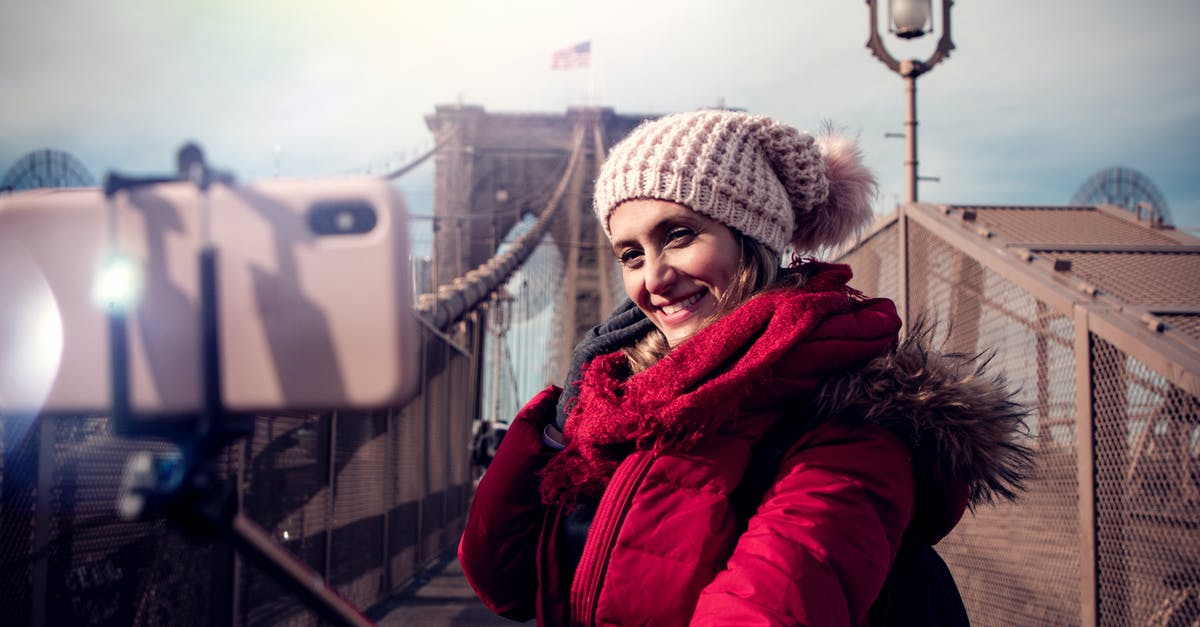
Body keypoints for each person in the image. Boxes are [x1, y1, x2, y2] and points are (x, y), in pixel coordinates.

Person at [458, 109, 1032, 625]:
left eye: (679, 235)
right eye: (631, 254)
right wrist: (562, 423)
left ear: (752, 239)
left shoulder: (855, 424)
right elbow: (510, 586)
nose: (653, 279)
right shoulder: (626, 406)